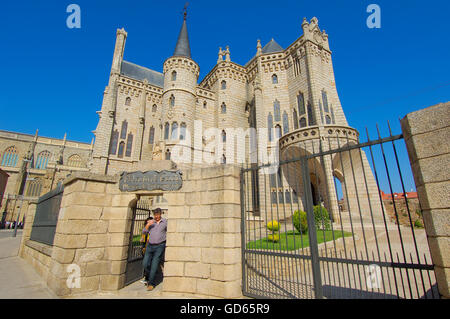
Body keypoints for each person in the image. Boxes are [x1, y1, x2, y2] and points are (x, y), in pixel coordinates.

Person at [141, 208, 167, 291]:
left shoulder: (165, 222)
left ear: (160, 214)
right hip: (150, 246)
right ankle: (149, 276)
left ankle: (151, 283)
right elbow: (144, 232)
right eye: (155, 215)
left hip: (160, 246)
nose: (156, 216)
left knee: (154, 264)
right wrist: (148, 225)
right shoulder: (151, 222)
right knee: (145, 263)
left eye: (157, 215)